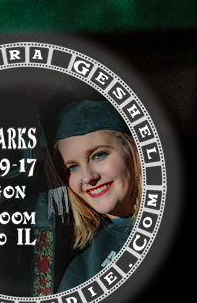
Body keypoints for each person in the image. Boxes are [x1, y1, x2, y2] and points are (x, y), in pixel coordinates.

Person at [50, 99, 142, 292]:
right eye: (72, 167)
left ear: (133, 149)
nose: (88, 177)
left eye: (98, 155)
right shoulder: (81, 274)